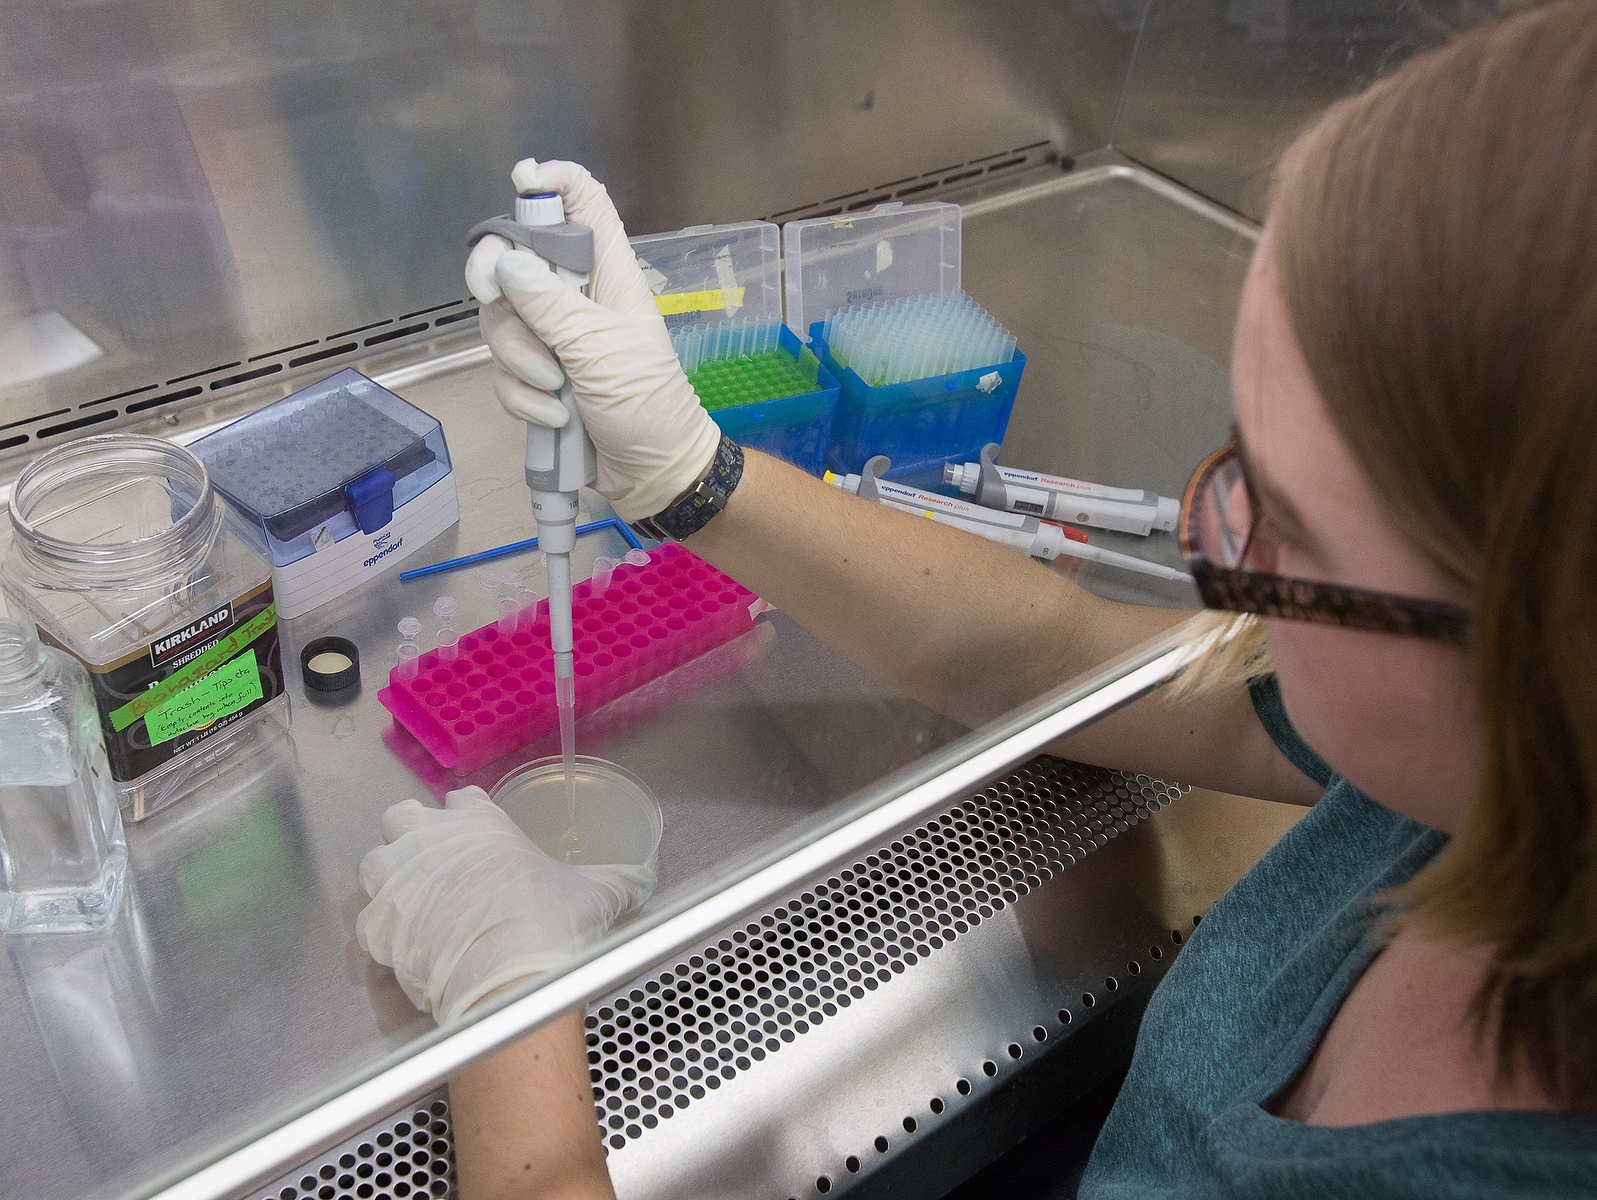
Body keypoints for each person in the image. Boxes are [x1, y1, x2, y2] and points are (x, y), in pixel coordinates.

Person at [354, 4, 1597, 1195]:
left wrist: (509, 1013)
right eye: (1241, 458)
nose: (1216, 545)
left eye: (1293, 528)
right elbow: (1054, 653)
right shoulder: (1446, 770)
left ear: (1530, 660)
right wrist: (696, 475)